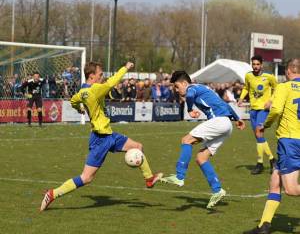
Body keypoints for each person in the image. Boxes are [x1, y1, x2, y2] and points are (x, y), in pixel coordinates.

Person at [40, 61, 162, 211]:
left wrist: (79, 108)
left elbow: (73, 100)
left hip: (109, 135)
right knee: (86, 178)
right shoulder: (95, 89)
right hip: (100, 139)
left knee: (138, 146)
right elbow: (112, 82)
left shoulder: (82, 91)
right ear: (92, 76)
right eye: (100, 74)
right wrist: (125, 68)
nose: (102, 77)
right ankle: (53, 193)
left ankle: (149, 179)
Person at [161, 71, 245, 209]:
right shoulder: (205, 89)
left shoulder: (192, 88)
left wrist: (189, 109)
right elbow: (225, 105)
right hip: (226, 125)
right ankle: (217, 190)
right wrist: (237, 118)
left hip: (218, 121)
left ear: (184, 83)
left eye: (177, 86)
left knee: (186, 140)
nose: (176, 90)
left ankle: (179, 176)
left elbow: (190, 94)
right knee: (201, 158)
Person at [244, 58, 300, 234]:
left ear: (289, 71)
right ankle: (265, 225)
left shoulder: (284, 87)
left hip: (289, 142)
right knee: (274, 182)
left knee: (290, 189)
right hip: (295, 140)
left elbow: (275, 110)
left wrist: (264, 125)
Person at [238, 55, 277, 175]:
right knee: (258, 137)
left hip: (263, 110)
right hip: (253, 110)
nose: (255, 66)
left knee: (259, 133)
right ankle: (272, 160)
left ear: (261, 65)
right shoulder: (248, 75)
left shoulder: (269, 77)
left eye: (257, 64)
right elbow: (246, 87)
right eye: (253, 64)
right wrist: (241, 98)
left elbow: (277, 89)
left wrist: (270, 101)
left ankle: (260, 163)